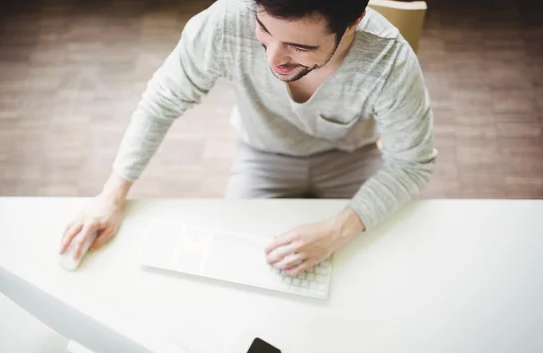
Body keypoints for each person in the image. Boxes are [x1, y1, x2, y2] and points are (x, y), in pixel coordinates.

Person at [60, 0, 437, 276]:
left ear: (355, 20)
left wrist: (335, 231)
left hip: (352, 159)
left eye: (301, 47)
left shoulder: (389, 62)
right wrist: (111, 194)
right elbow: (163, 100)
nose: (274, 58)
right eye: (265, 31)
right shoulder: (226, 21)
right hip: (263, 156)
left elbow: (411, 163)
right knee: (242, 268)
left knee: (368, 272)